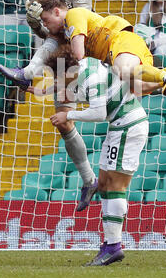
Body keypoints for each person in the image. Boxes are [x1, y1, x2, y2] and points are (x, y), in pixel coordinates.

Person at [0, 0, 96, 212]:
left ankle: (27, 74)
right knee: (63, 125)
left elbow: (81, 22)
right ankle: (89, 180)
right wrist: (33, 23)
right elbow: (45, 31)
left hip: (85, 50)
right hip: (59, 60)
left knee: (94, 112)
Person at [46, 45, 149, 265]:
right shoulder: (85, 68)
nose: (59, 81)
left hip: (128, 125)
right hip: (120, 126)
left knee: (114, 186)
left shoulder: (90, 76)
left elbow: (99, 112)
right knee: (103, 184)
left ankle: (113, 246)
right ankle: (111, 242)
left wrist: (68, 115)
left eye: (58, 76)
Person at [34, 0, 166, 98]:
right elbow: (52, 41)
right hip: (124, 50)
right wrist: (34, 25)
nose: (45, 25)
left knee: (124, 72)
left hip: (121, 41)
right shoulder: (65, 32)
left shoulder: (73, 14)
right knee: (138, 87)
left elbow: (78, 54)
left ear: (57, 11)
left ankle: (165, 75)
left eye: (45, 19)